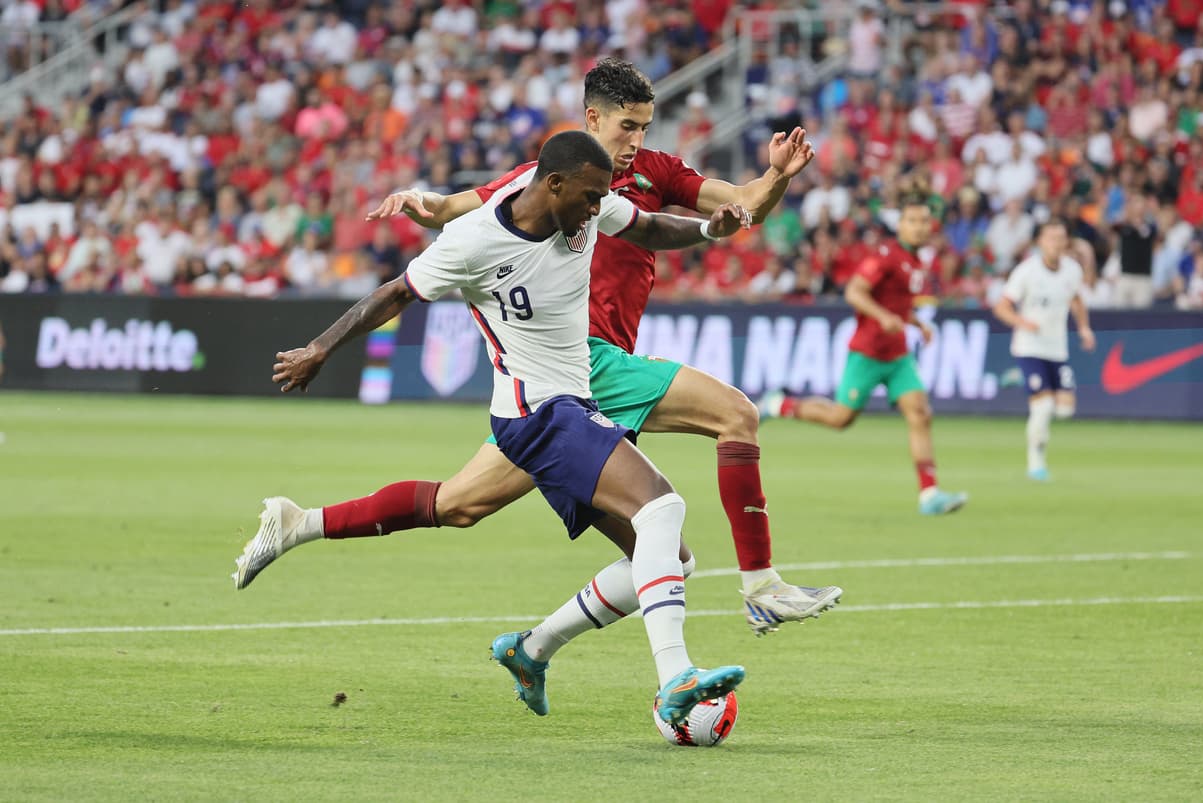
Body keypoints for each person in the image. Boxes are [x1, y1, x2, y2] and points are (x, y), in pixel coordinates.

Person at [280, 58, 840, 637]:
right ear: (593, 118)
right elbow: (455, 212)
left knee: (459, 506)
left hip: (564, 387)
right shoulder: (546, 176)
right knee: (736, 415)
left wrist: (777, 177)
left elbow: (740, 204)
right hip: (585, 362)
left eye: (645, 126)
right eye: (628, 126)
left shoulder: (655, 172)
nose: (637, 140)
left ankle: (302, 524)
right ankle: (762, 587)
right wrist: (417, 198)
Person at [245, 130, 748, 725]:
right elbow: (393, 294)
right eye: (589, 199)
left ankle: (528, 648)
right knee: (660, 509)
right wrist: (320, 348)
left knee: (657, 556)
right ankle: (675, 678)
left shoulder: (585, 203)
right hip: (539, 414)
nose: (595, 212)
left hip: (567, 407)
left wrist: (710, 229)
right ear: (553, 184)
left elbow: (644, 227)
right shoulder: (472, 241)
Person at [759, 184, 969, 516]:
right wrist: (884, 317)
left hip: (897, 354)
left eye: (924, 221)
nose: (920, 226)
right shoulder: (885, 256)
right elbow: (855, 293)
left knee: (920, 412)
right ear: (900, 224)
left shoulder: (916, 260)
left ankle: (930, 494)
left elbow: (896, 302)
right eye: (913, 221)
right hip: (868, 352)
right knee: (841, 419)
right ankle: (780, 404)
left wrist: (915, 322)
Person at [992, 219, 1096, 481]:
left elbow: (1076, 299)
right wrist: (1023, 322)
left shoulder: (1072, 270)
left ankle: (1018, 377)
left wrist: (1084, 328)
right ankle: (1035, 463)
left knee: (1065, 410)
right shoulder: (1026, 271)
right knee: (1043, 407)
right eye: (1051, 238)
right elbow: (1002, 307)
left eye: (1061, 238)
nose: (1056, 243)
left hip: (1056, 348)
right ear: (1040, 242)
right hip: (1029, 346)